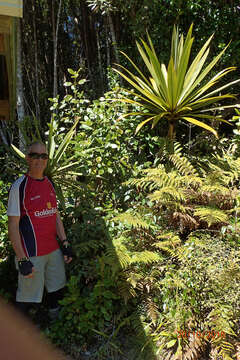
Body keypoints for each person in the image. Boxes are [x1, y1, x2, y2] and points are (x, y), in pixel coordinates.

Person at [7, 141, 73, 320]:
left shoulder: (49, 183)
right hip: (31, 253)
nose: (39, 159)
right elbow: (12, 225)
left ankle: (56, 330)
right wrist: (22, 259)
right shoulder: (19, 186)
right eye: (35, 155)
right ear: (28, 158)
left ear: (47, 160)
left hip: (53, 250)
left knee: (57, 290)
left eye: (43, 156)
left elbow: (55, 214)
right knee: (27, 299)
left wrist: (65, 242)